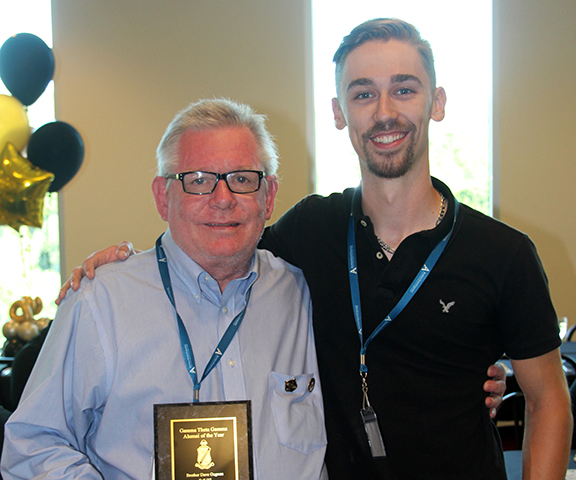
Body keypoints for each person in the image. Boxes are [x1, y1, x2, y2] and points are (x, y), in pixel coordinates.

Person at [53, 18, 541, 479]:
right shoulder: (313, 232)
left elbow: (546, 400)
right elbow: (210, 242)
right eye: (364, 92)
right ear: (338, 111)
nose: (385, 110)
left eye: (404, 88)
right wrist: (120, 267)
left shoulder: (500, 252)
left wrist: (479, 378)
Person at [1, 98, 328, 480]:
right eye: (199, 181)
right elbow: (32, 446)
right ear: (162, 196)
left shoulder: (306, 293)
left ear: (268, 196)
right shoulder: (101, 302)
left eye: (242, 179)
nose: (223, 200)